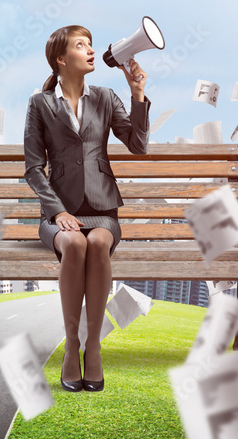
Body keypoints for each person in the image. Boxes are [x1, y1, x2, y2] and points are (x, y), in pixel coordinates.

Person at [23, 25, 150, 393]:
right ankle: (72, 345)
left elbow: (138, 145)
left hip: (103, 211)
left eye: (91, 45)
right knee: (75, 244)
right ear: (61, 59)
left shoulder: (107, 97)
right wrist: (57, 212)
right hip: (57, 213)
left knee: (95, 242)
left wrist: (137, 93)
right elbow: (33, 167)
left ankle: (93, 346)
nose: (91, 51)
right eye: (82, 45)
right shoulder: (40, 104)